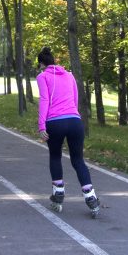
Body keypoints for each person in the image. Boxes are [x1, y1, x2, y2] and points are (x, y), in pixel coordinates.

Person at [35, 46, 100, 216]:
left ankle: (58, 194)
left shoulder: (42, 77)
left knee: (55, 156)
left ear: (42, 64)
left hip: (55, 123)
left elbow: (44, 100)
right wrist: (73, 114)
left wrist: (41, 126)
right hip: (75, 121)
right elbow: (76, 98)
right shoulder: (70, 75)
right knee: (78, 160)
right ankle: (91, 198)